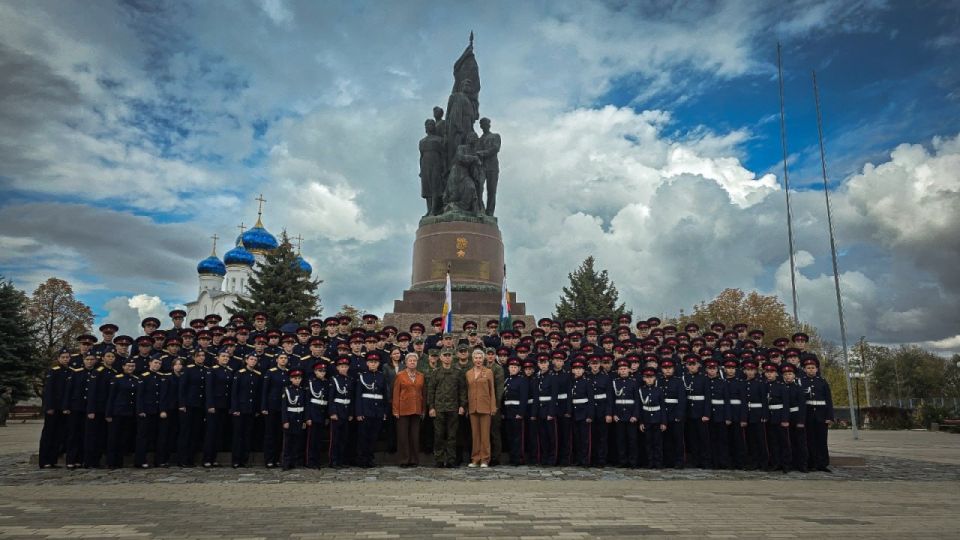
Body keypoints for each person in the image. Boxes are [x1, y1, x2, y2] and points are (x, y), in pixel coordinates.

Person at [426, 348, 466, 468]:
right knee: (438, 435)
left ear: (452, 357)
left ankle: (450, 460)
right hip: (439, 408)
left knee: (452, 436)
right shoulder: (435, 373)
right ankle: (439, 459)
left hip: (453, 408)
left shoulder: (458, 373)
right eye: (445, 355)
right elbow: (431, 391)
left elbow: (462, 391)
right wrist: (431, 407)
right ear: (441, 357)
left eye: (449, 355)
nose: (447, 357)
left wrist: (462, 405)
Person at [38, 349, 71, 468]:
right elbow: (49, 391)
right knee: (49, 434)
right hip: (53, 408)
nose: (66, 359)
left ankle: (53, 460)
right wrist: (49, 406)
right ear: (58, 358)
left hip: (63, 408)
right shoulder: (53, 371)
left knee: (59, 434)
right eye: (63, 357)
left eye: (67, 357)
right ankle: (44, 460)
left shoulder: (70, 372)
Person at [801, 356, 834, 472]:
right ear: (804, 369)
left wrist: (829, 416)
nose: (810, 370)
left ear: (817, 369)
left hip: (821, 415)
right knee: (809, 440)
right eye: (808, 368)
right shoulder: (801, 382)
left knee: (822, 440)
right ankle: (811, 463)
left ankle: (823, 463)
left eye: (813, 368)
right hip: (808, 415)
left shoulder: (822, 382)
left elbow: (829, 400)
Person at [355, 352, 388, 468]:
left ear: (378, 364)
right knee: (363, 437)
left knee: (373, 437)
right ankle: (362, 460)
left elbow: (385, 395)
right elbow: (358, 396)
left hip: (377, 411)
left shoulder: (381, 376)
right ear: (367, 363)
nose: (373, 364)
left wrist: (384, 412)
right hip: (365, 411)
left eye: (376, 362)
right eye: (371, 362)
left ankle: (370, 459)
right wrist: (359, 412)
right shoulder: (362, 376)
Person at [392, 352, 426, 467]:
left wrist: (423, 410)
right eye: (410, 361)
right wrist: (395, 410)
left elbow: (423, 394)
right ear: (406, 362)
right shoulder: (400, 375)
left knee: (414, 436)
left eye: (414, 361)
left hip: (416, 409)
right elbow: (396, 393)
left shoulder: (421, 376)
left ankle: (414, 460)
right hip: (403, 409)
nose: (412, 362)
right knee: (403, 436)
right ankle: (404, 460)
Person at [105, 358, 139, 468]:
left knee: (123, 438)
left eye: (132, 366)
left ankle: (119, 462)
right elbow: (111, 397)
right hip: (117, 412)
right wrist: (108, 414)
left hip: (129, 413)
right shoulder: (117, 379)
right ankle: (111, 462)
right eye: (128, 366)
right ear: (123, 367)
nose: (130, 368)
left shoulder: (135, 379)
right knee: (113, 438)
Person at [230, 354, 262, 468]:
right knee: (238, 435)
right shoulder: (239, 373)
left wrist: (257, 409)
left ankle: (245, 460)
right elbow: (234, 393)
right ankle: (236, 460)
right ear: (246, 361)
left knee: (248, 435)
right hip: (240, 409)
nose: (253, 361)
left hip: (251, 409)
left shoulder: (257, 375)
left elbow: (258, 394)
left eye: (255, 360)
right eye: (251, 359)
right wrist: (235, 408)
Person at [177, 349, 208, 467]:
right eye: (198, 356)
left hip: (199, 405)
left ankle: (190, 458)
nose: (201, 357)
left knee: (195, 432)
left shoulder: (206, 370)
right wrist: (181, 404)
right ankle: (182, 459)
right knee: (185, 433)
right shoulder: (188, 370)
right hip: (188, 405)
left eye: (203, 355)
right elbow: (182, 388)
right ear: (194, 358)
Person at [203, 351, 234, 468]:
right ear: (217, 358)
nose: (226, 358)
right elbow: (209, 389)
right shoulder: (212, 370)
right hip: (214, 406)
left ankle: (214, 458)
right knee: (210, 433)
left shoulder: (230, 371)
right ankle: (207, 458)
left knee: (218, 433)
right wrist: (210, 405)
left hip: (224, 406)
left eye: (227, 356)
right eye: (223, 356)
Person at [261, 352, 290, 468]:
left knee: (280, 434)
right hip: (271, 406)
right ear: (277, 360)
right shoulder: (271, 372)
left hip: (283, 408)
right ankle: (269, 459)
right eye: (281, 358)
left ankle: (277, 459)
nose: (283, 360)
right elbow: (265, 391)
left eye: (285, 358)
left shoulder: (289, 373)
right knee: (270, 434)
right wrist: (264, 407)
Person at [611, 359, 640, 468]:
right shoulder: (614, 382)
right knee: (620, 440)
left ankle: (633, 462)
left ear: (629, 370)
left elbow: (637, 400)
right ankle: (622, 461)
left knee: (632, 440)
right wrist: (614, 414)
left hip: (631, 415)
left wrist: (635, 415)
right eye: (621, 369)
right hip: (619, 415)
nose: (623, 371)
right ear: (618, 371)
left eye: (624, 369)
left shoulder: (634, 382)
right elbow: (612, 400)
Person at [568, 358, 595, 467]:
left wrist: (590, 415)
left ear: (583, 370)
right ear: (573, 371)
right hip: (574, 413)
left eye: (580, 369)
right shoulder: (571, 382)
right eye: (576, 369)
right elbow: (570, 398)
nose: (578, 371)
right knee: (577, 438)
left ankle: (586, 460)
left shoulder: (587, 382)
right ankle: (579, 459)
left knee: (585, 439)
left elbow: (591, 400)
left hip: (584, 413)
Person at [501, 357, 528, 465]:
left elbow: (524, 398)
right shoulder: (507, 380)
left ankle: (518, 458)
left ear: (519, 368)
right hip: (508, 412)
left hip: (517, 412)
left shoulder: (522, 380)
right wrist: (503, 412)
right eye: (511, 367)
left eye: (515, 367)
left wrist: (521, 413)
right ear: (508, 368)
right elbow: (503, 398)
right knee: (510, 436)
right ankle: (512, 457)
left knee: (518, 437)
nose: (513, 369)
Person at [328, 357, 354, 468]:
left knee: (344, 438)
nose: (343, 368)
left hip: (346, 410)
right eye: (341, 366)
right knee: (335, 438)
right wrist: (332, 412)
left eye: (345, 367)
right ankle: (333, 460)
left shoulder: (350, 380)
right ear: (337, 368)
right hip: (337, 410)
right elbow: (331, 397)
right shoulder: (333, 379)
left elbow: (352, 397)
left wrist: (351, 413)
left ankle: (342, 460)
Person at [281, 369, 307, 470]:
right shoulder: (286, 389)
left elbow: (305, 406)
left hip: (299, 418)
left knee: (298, 442)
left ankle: (296, 462)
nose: (297, 380)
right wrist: (285, 420)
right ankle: (286, 463)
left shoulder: (302, 390)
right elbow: (284, 407)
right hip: (290, 418)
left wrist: (304, 420)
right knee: (288, 442)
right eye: (295, 378)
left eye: (299, 378)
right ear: (291, 379)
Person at [305, 360, 330, 469]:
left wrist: (327, 416)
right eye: (320, 371)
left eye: (324, 371)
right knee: (311, 440)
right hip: (313, 413)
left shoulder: (326, 382)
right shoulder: (311, 382)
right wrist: (308, 417)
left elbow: (327, 400)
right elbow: (307, 401)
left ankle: (317, 460)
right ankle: (310, 461)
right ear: (315, 371)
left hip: (322, 413)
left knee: (319, 439)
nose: (322, 373)